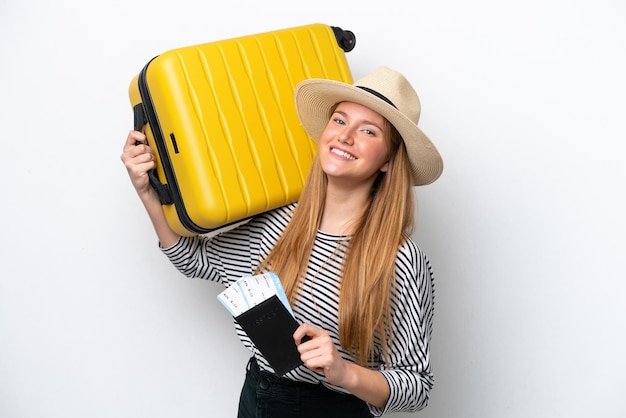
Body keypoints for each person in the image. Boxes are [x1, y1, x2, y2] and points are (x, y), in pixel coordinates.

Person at [121, 66, 443, 417]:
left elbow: (416, 386)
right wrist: (148, 194)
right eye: (339, 121)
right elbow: (194, 259)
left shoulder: (400, 260)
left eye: (368, 131)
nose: (345, 136)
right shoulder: (279, 220)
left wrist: (344, 371)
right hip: (259, 396)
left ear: (387, 160)